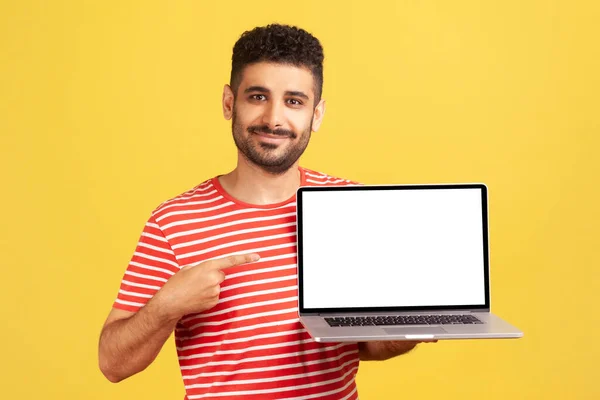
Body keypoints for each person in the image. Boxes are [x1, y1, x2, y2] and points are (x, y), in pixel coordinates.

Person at [98, 23, 431, 400]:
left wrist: (409, 330)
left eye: (294, 101)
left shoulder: (350, 205)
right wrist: (167, 305)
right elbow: (113, 364)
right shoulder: (174, 221)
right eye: (258, 96)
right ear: (229, 102)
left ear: (316, 114)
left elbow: (364, 347)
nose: (274, 119)